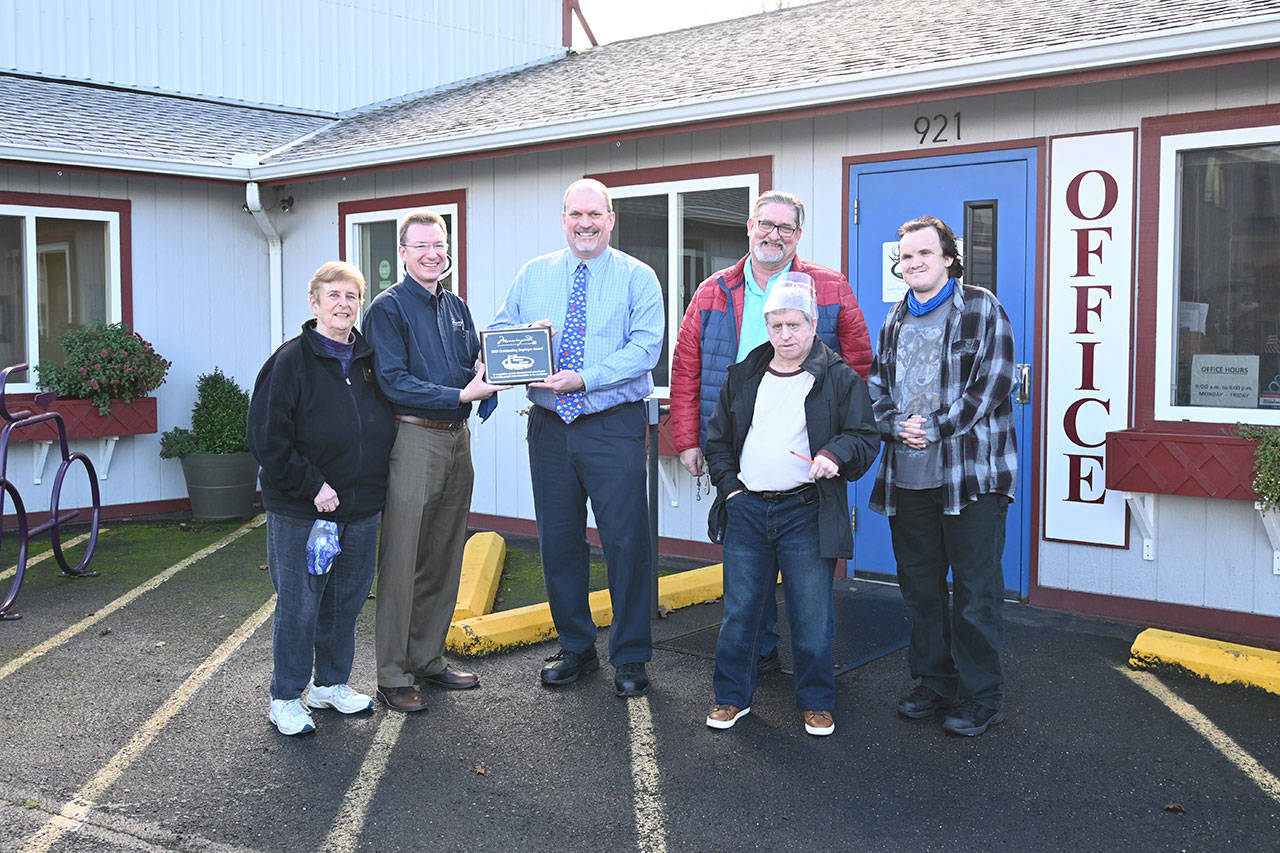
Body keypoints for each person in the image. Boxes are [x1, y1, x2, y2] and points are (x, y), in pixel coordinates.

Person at [670, 189, 873, 674]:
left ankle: (809, 678)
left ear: (798, 235)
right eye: (766, 224)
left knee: (806, 585)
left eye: (785, 228)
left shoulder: (829, 287)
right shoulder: (712, 290)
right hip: (738, 447)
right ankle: (756, 660)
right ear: (749, 226)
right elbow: (686, 367)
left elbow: (859, 366)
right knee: (748, 575)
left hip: (807, 460)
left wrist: (842, 438)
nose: (773, 235)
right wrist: (688, 438)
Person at [492, 178, 664, 698]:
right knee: (559, 542)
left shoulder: (638, 277)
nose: (585, 223)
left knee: (626, 543)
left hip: (612, 424)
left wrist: (584, 377)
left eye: (595, 214)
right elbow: (502, 336)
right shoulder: (533, 275)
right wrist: (526, 343)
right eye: (575, 214)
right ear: (563, 218)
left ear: (612, 219)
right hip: (548, 427)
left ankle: (631, 656)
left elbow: (646, 349)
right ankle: (576, 647)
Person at [702, 276, 878, 736]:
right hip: (747, 510)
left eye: (794, 324)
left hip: (806, 510)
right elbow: (717, 441)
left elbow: (865, 437)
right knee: (741, 611)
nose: (785, 335)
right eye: (776, 325)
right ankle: (730, 698)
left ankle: (817, 702)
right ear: (766, 325)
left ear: (813, 323)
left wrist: (834, 454)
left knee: (812, 612)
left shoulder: (838, 377)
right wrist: (731, 492)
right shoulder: (744, 374)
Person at [868, 215, 1017, 737]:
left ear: (949, 258)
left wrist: (933, 428)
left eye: (924, 254)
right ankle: (934, 682)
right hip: (908, 480)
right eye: (906, 256)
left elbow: (992, 383)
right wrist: (892, 425)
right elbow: (875, 388)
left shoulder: (980, 306)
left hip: (971, 478)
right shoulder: (893, 320)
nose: (914, 263)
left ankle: (982, 697)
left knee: (975, 592)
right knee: (920, 590)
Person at [363, 210, 510, 713]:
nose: (433, 253)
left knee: (445, 555)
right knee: (403, 557)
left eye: (439, 245)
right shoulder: (388, 309)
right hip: (413, 439)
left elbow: (474, 365)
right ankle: (392, 672)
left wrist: (513, 356)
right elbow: (392, 381)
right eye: (421, 245)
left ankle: (427, 658)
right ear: (402, 253)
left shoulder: (457, 307)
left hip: (456, 438)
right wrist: (460, 393)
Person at [248, 261, 396, 736]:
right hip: (303, 510)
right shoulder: (290, 361)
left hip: (360, 507)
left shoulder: (371, 361)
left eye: (352, 296)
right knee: (301, 604)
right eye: (333, 295)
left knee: (346, 602)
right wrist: (313, 486)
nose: (343, 304)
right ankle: (286, 696)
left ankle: (329, 685)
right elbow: (268, 438)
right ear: (314, 303)